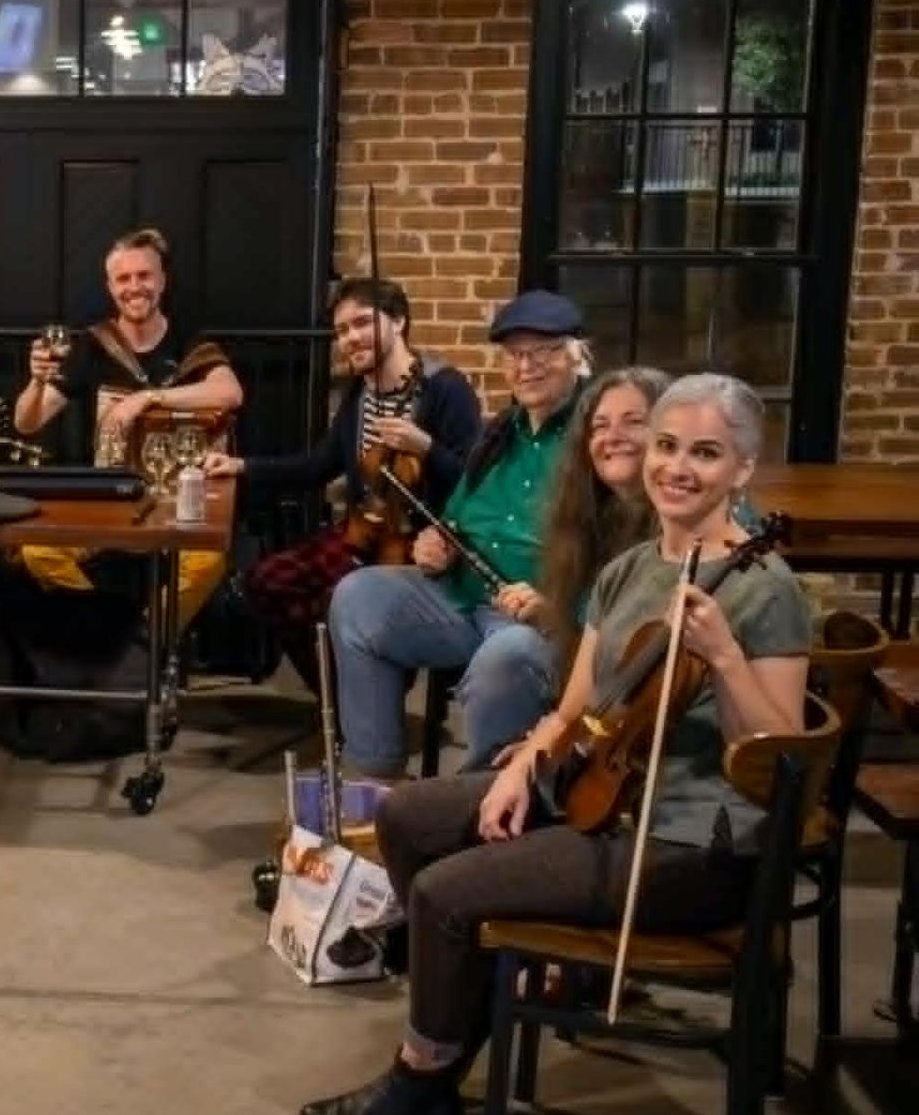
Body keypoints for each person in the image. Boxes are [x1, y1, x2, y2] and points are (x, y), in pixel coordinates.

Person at [298, 372, 810, 1115]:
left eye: (706, 453)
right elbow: (572, 710)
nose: (677, 467)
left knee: (442, 894)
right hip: (599, 791)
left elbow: (773, 756)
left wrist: (727, 659)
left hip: (686, 842)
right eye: (667, 446)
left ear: (741, 469)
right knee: (409, 817)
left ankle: (426, 1075)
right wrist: (517, 765)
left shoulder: (765, 591)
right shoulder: (632, 571)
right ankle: (466, 1007)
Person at [326, 289, 589, 777]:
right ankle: (374, 777)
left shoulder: (595, 436)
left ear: (577, 354)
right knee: (358, 596)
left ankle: (483, 801)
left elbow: (622, 552)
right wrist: (437, 540)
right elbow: (457, 512)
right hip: (461, 597)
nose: (526, 366)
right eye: (515, 355)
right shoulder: (501, 432)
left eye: (544, 352)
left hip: (535, 620)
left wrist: (559, 603)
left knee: (507, 657)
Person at [202, 276, 481, 692]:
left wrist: (425, 447)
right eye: (342, 331)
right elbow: (318, 465)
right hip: (360, 534)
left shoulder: (444, 388)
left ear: (399, 321)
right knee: (264, 582)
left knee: (345, 606)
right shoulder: (361, 393)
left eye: (361, 324)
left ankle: (372, 693)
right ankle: (335, 693)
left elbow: (474, 483)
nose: (350, 338)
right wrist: (241, 466)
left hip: (419, 546)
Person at [13, 226, 246, 627]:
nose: (134, 287)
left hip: (178, 504)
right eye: (123, 278)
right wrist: (36, 381)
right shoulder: (92, 346)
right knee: (38, 551)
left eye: (144, 276)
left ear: (162, 281)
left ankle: (143, 642)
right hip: (110, 502)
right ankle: (109, 632)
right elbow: (27, 421)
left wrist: (149, 398)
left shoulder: (189, 340)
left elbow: (230, 392)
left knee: (207, 562)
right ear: (110, 286)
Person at [534, 365, 670, 661]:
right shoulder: (588, 514)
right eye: (599, 426)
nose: (613, 437)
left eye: (634, 422)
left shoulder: (683, 522)